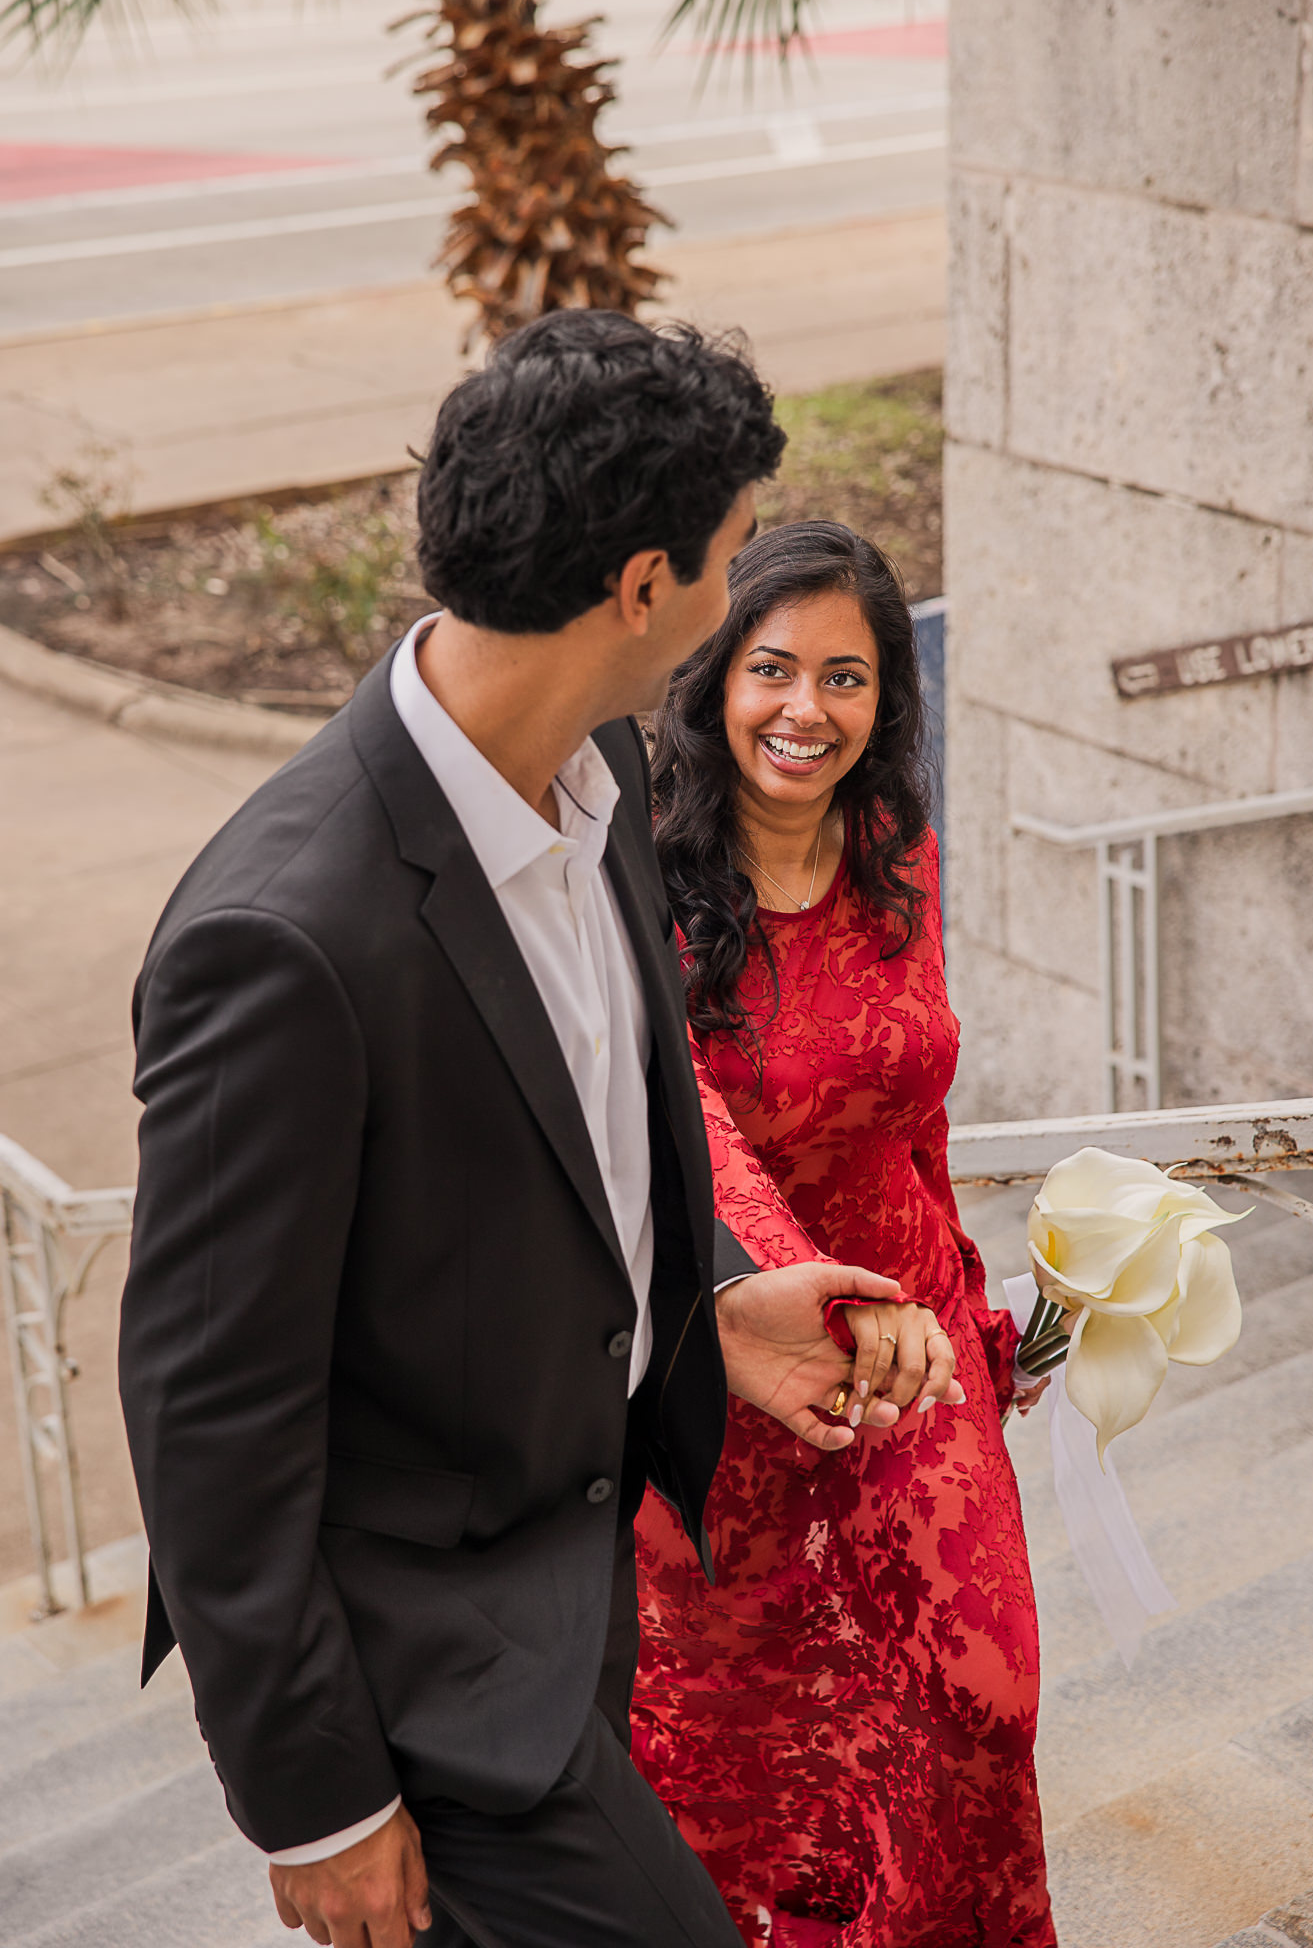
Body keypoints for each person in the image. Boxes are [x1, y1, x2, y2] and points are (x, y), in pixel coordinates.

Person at [117, 316, 961, 1948]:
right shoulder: (279, 936)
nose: (732, 602)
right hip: (419, 1668)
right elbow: (207, 1407)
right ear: (643, 588)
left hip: (578, 1591)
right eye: (724, 563)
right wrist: (317, 1796)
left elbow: (566, 1152)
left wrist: (712, 1301)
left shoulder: (598, 775)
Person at [632, 520, 1056, 1948]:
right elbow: (676, 1120)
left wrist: (977, 1316)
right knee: (760, 1773)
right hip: (733, 1365)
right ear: (712, 679)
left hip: (914, 1348)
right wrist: (807, 1296)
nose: (804, 709)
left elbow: (914, 1115)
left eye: (845, 677)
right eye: (769, 669)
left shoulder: (894, 848)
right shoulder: (636, 878)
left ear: (886, 701)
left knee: (976, 1703)